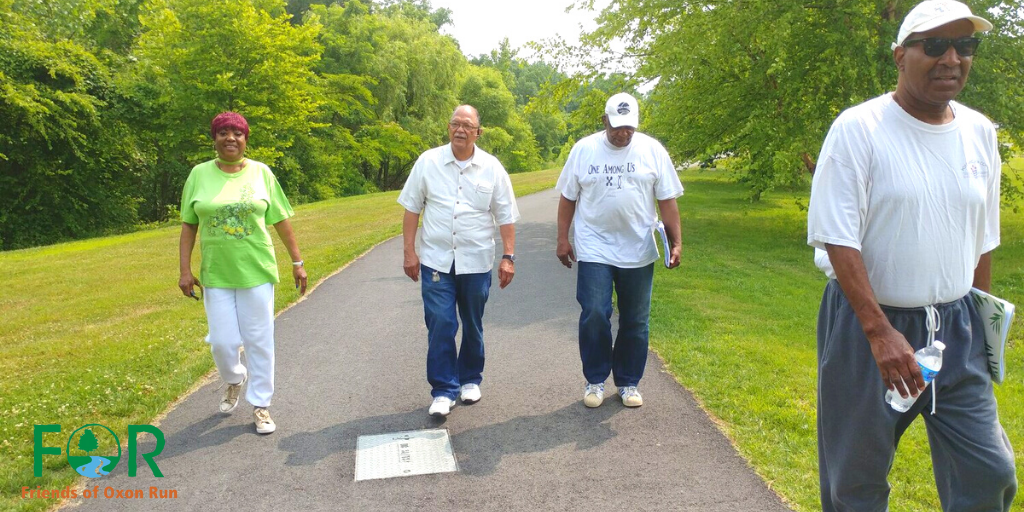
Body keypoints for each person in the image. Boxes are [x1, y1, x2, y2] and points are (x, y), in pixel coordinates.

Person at [807, 1, 1016, 509]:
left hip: (958, 330)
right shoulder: (859, 129)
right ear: (901, 56)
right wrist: (879, 331)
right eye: (935, 45)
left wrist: (985, 330)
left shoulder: (979, 132)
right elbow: (838, 236)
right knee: (855, 477)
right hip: (870, 330)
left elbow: (980, 239)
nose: (952, 58)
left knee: (989, 471)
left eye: (965, 46)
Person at [178, 112, 307, 435]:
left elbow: (280, 219)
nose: (230, 138)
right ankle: (235, 378)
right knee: (222, 342)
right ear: (214, 139)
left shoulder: (261, 173)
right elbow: (188, 225)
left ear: (246, 139)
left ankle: (261, 404)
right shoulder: (198, 174)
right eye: (223, 133)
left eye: (237, 133)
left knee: (259, 340)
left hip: (256, 270)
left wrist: (296, 262)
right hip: (216, 274)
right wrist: (184, 269)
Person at [555, 92, 683, 408]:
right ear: (604, 121)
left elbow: (667, 201)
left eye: (629, 127)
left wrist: (676, 241)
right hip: (594, 247)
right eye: (616, 127)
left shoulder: (652, 151)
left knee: (635, 320)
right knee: (595, 312)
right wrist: (562, 238)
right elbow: (568, 197)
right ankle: (596, 379)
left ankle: (627, 382)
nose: (622, 133)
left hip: (638, 248)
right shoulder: (584, 150)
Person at [398, 105, 520, 417]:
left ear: (478, 132)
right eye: (455, 123)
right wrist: (409, 252)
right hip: (437, 260)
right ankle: (443, 389)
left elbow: (506, 215)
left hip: (476, 261)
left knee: (472, 322)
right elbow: (412, 208)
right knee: (440, 322)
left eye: (467, 125)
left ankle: (469, 378)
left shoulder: (491, 167)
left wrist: (508, 256)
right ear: (448, 128)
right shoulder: (428, 162)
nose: (460, 130)